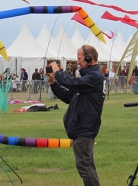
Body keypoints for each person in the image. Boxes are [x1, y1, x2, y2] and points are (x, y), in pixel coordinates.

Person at [47, 44, 105, 186]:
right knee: (87, 166)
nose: (77, 61)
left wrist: (58, 72)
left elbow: (71, 83)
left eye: (79, 58)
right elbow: (68, 97)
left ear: (89, 58)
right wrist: (53, 83)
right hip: (81, 127)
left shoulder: (95, 76)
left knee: (85, 167)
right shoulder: (88, 78)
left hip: (84, 128)